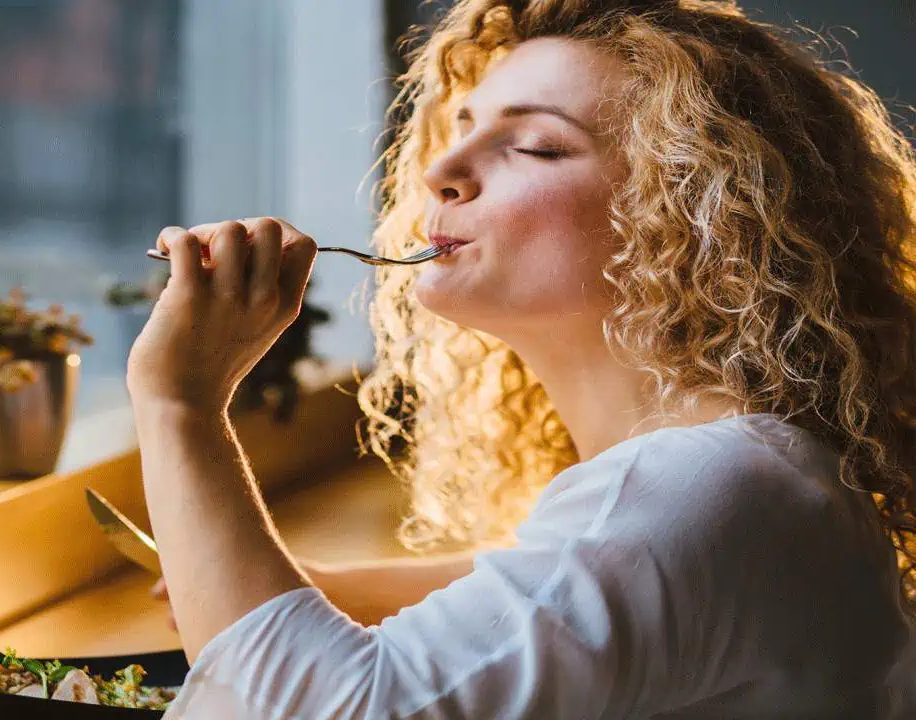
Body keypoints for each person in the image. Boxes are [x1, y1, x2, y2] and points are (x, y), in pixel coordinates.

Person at [125, 0, 916, 716]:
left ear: (699, 220)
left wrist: (180, 404)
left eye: (535, 147)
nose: (439, 169)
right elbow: (562, 581)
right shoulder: (749, 475)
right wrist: (328, 592)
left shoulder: (706, 488)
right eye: (463, 125)